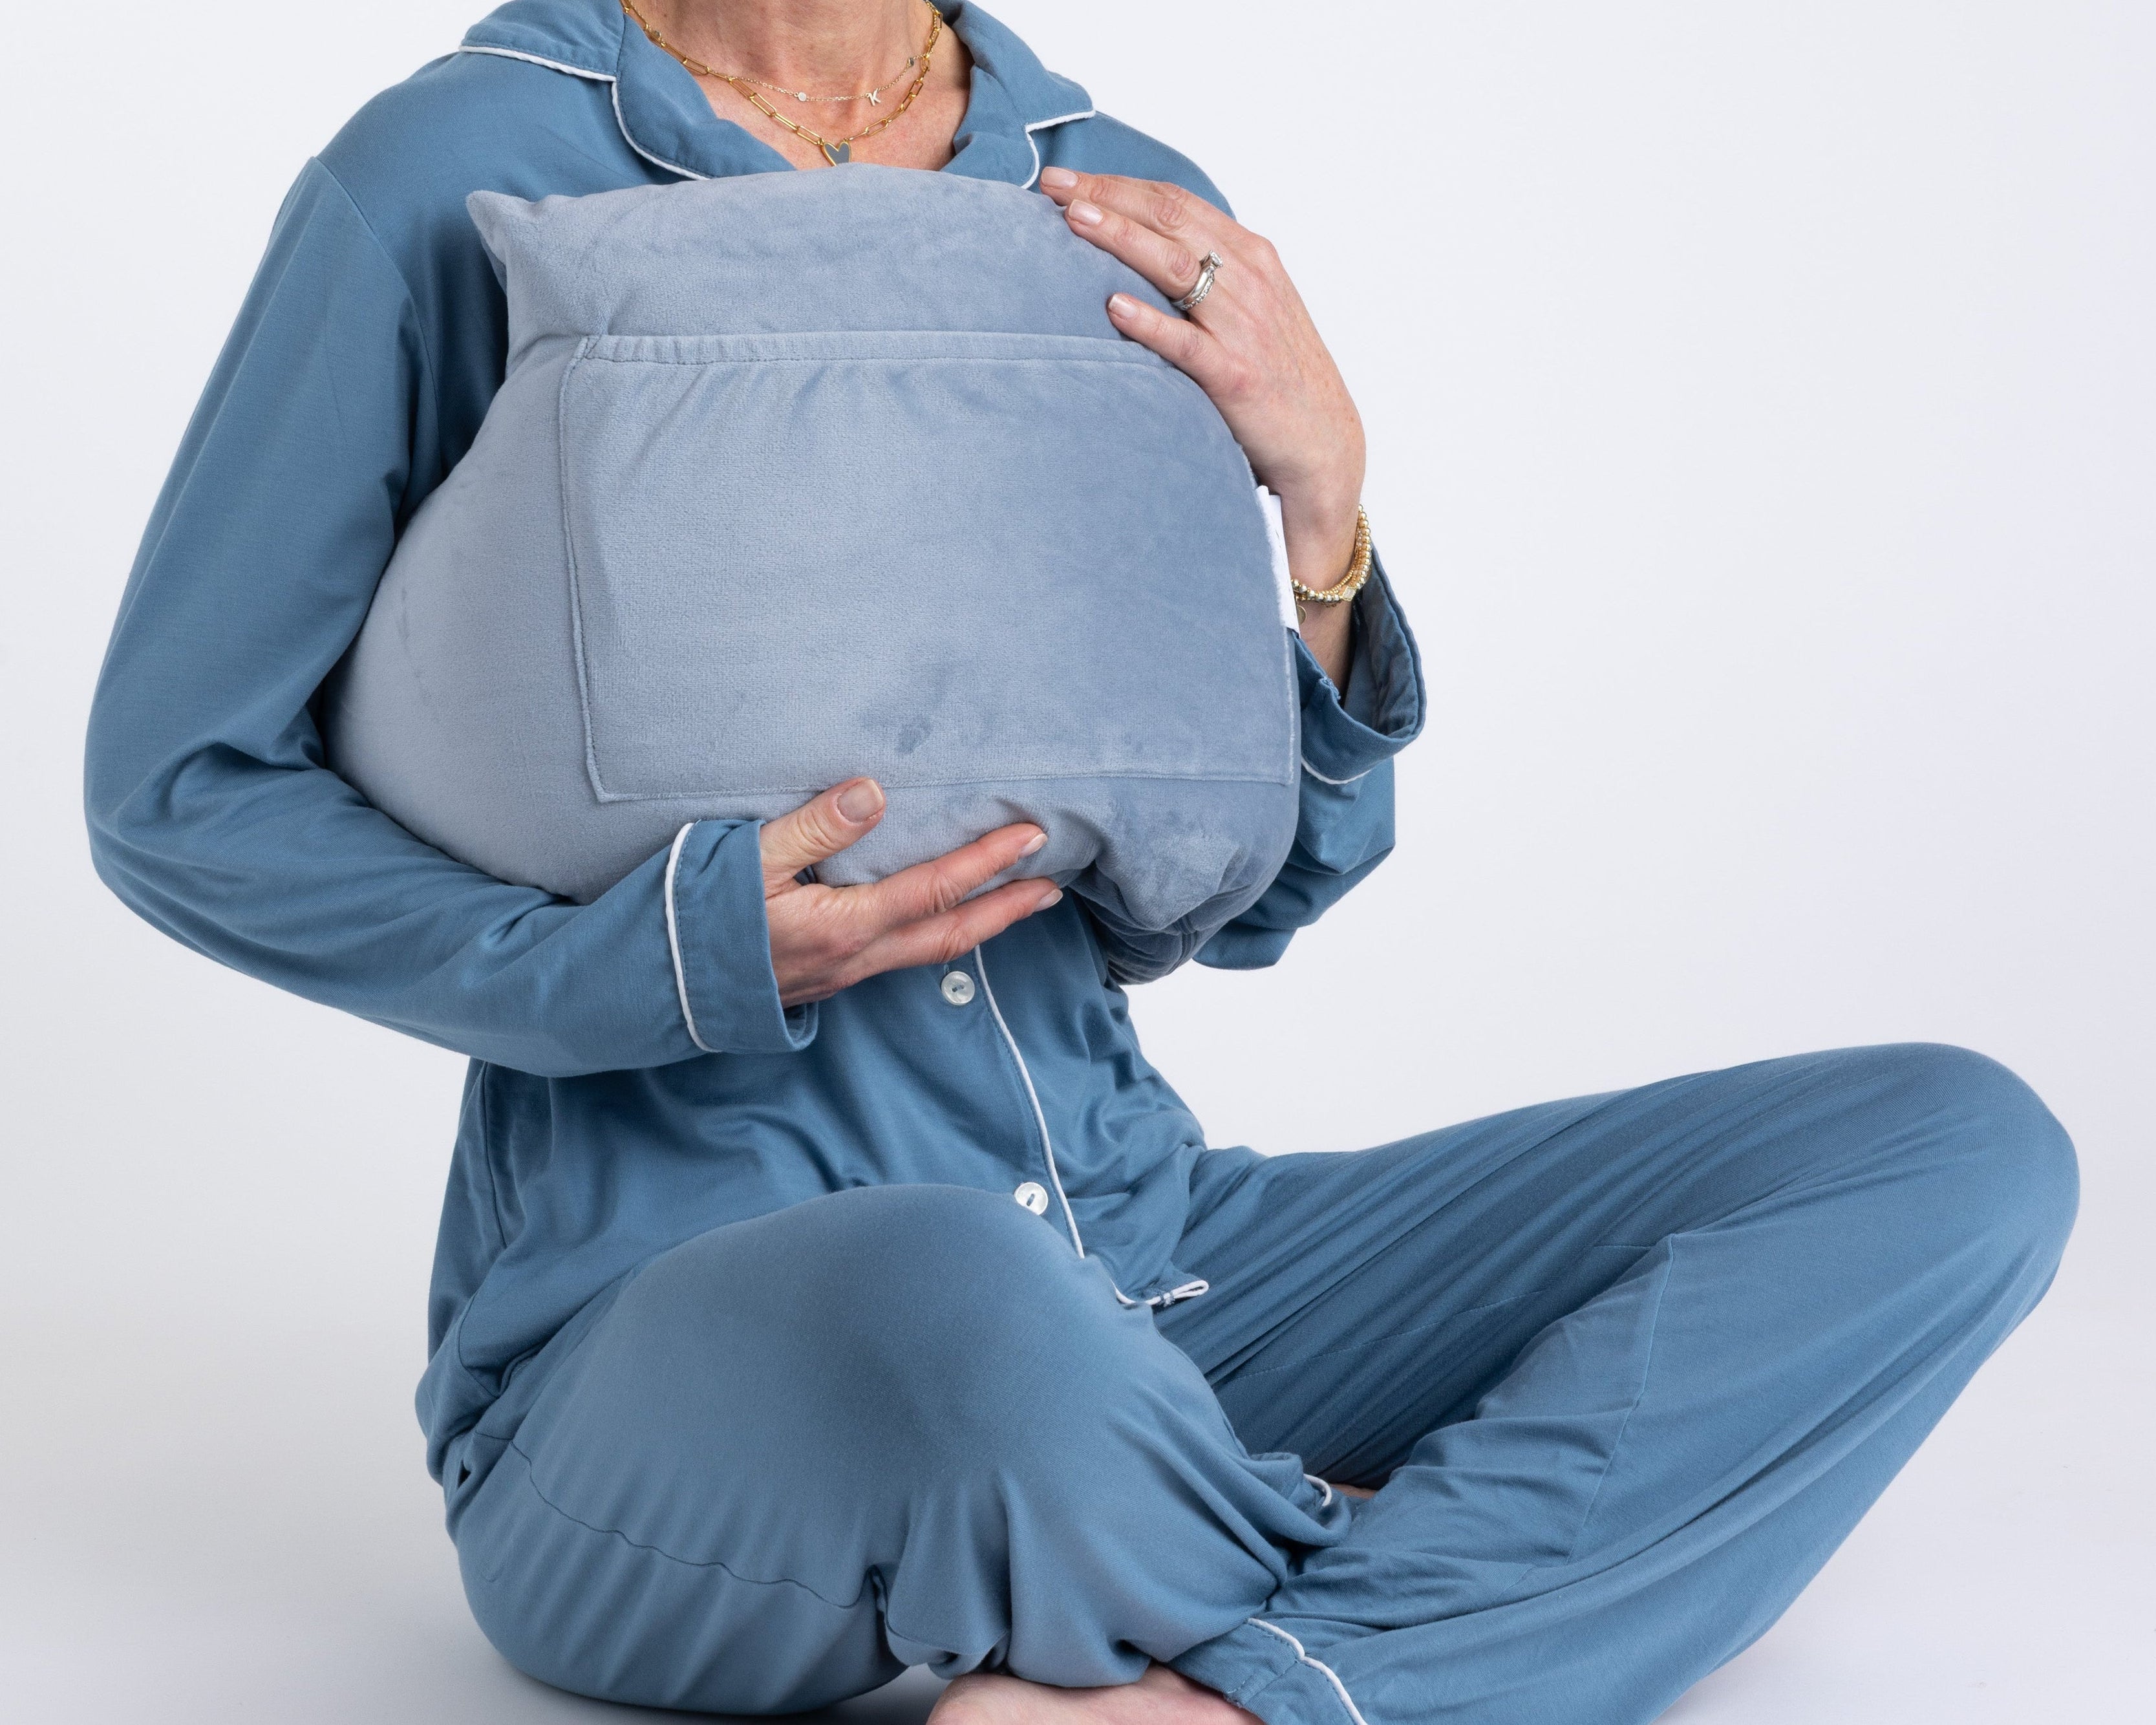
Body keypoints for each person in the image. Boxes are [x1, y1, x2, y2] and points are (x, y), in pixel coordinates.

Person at [81, 3, 2078, 1722]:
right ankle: (1420, 1584)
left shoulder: (1110, 185)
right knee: (966, 1294)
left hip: (1141, 1247)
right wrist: (670, 956)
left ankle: (1232, 1672)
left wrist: (1327, 515)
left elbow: (1259, 881)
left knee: (1953, 1146)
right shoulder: (446, 162)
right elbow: (178, 787)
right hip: (659, 1331)